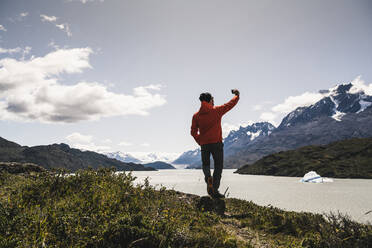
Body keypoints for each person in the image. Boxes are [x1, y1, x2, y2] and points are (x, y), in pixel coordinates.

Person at [191, 89, 240, 198]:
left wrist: (201, 141)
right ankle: (215, 189)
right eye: (213, 100)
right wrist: (237, 95)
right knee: (218, 166)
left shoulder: (196, 116)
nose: (214, 102)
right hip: (216, 144)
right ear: (209, 101)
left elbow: (193, 132)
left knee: (206, 165)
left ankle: (208, 177)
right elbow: (230, 104)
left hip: (204, 145)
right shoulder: (216, 110)